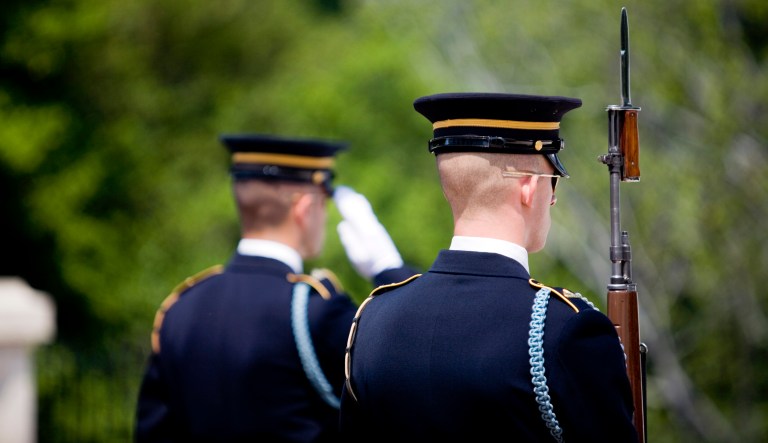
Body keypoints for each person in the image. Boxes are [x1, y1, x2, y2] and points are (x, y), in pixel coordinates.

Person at [339, 92, 639, 442]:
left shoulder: (372, 321)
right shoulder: (565, 331)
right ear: (529, 186)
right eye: (552, 181)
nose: (552, 198)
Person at [134, 133, 417, 442]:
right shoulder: (315, 313)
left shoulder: (179, 308)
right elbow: (405, 387)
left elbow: (152, 431)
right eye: (323, 202)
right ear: (304, 208)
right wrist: (389, 272)